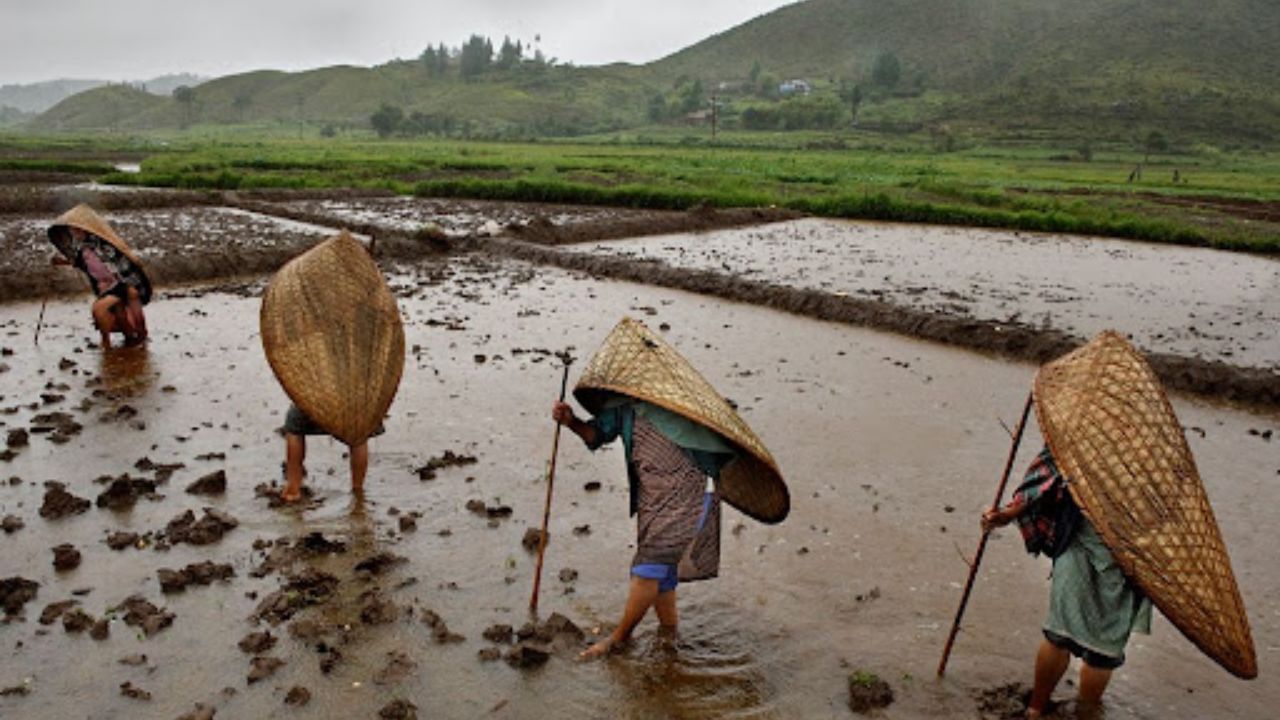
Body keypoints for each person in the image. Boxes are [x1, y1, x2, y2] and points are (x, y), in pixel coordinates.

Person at [552, 397, 736, 659]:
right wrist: (570, 421)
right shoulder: (624, 405)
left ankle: (619, 639)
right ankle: (669, 638)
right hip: (653, 497)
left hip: (690, 493)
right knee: (661, 575)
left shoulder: (682, 399)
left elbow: (722, 428)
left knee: (647, 569)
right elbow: (596, 434)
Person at [982, 446, 1152, 719]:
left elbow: (1044, 478)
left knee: (1071, 638)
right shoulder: (1154, 456)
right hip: (1110, 551)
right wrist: (1009, 514)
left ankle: (1038, 710)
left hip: (1116, 556)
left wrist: (1010, 513)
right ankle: (1048, 710)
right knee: (1094, 646)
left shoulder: (1082, 434)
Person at [50, 225, 148, 348]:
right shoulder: (82, 249)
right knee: (119, 313)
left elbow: (121, 261)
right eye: (73, 230)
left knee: (99, 309)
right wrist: (61, 262)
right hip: (104, 287)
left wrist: (131, 283)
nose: (75, 233)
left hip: (121, 283)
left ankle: (106, 342)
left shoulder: (103, 245)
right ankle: (130, 340)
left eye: (78, 230)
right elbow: (81, 264)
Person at [279, 403, 376, 503]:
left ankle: (293, 488)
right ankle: (357, 489)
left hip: (318, 399)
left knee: (294, 425)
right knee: (359, 433)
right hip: (356, 401)